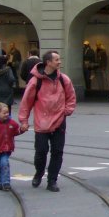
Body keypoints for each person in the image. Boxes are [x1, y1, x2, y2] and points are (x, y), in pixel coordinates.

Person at [17, 50, 77, 192]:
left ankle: (52, 180)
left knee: (57, 152)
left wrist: (67, 110)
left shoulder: (64, 79)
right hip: (41, 122)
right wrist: (23, 120)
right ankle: (39, 173)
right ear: (48, 62)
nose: (59, 62)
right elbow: (26, 102)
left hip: (59, 121)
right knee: (41, 151)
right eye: (56, 60)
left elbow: (71, 96)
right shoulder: (35, 81)